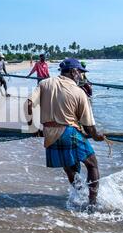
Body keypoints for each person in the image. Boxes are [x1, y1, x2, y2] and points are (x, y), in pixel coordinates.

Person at [26, 58, 105, 208]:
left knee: (70, 168)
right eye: (80, 72)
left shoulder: (44, 83)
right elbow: (89, 126)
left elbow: (29, 104)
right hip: (68, 132)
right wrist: (97, 136)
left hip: (50, 135)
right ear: (74, 72)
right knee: (92, 164)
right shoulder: (79, 92)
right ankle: (92, 203)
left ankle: (79, 195)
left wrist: (33, 127)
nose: (81, 76)